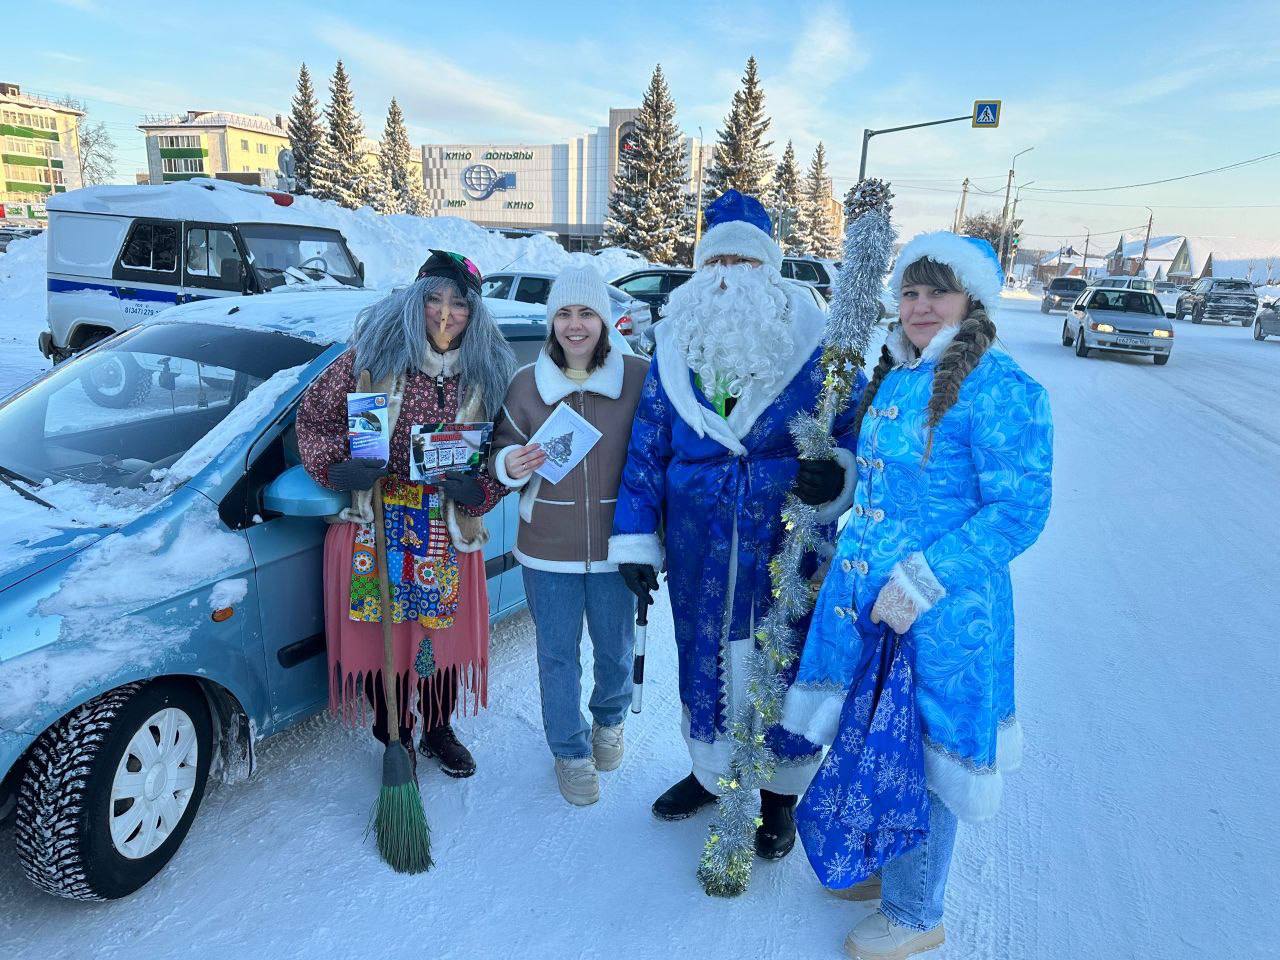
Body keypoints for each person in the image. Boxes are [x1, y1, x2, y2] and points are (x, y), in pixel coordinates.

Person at [783, 232, 1054, 960]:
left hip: (939, 614)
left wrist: (920, 582)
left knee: (925, 757)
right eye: (911, 292)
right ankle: (885, 868)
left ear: (972, 301)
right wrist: (839, 480)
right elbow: (888, 484)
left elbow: (1018, 511)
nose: (922, 306)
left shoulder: (1001, 387)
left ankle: (914, 912)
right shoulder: (900, 374)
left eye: (939, 292)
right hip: (869, 607)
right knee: (879, 739)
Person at [609, 190, 866, 859]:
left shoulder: (815, 342)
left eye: (743, 261)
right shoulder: (675, 342)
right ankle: (711, 772)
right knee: (703, 654)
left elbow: (854, 428)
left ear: (768, 268)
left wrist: (838, 474)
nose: (728, 275)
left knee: (783, 658)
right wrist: (635, 539)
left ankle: (779, 796)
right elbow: (647, 445)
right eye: (716, 261)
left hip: (786, 537)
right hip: (698, 539)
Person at [296, 250, 516, 780]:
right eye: (433, 300)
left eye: (459, 304)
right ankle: (393, 732)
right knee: (385, 638)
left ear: (474, 312)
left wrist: (481, 489)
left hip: (443, 524)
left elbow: (509, 452)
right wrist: (339, 467)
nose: (445, 313)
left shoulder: (487, 376)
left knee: (439, 635)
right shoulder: (371, 360)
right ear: (414, 304)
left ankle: (438, 726)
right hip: (377, 521)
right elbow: (314, 420)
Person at [489, 266, 650, 806]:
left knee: (615, 649)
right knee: (557, 656)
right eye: (563, 314)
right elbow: (500, 450)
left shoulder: (638, 378)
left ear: (603, 320)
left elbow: (658, 458)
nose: (574, 325)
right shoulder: (526, 384)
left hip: (617, 549)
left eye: (586, 313)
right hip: (547, 548)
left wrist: (654, 537)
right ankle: (570, 751)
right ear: (551, 321)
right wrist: (509, 463)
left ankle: (609, 721)